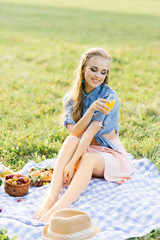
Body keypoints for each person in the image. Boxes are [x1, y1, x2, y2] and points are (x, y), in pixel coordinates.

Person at [34, 47, 134, 222]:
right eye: (93, 69)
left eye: (103, 72)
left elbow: (89, 133)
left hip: (110, 155)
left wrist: (71, 163)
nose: (98, 76)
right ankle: (50, 198)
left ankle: (59, 208)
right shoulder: (71, 98)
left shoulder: (109, 97)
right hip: (85, 148)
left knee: (87, 159)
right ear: (83, 68)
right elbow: (75, 133)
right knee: (71, 140)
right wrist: (90, 111)